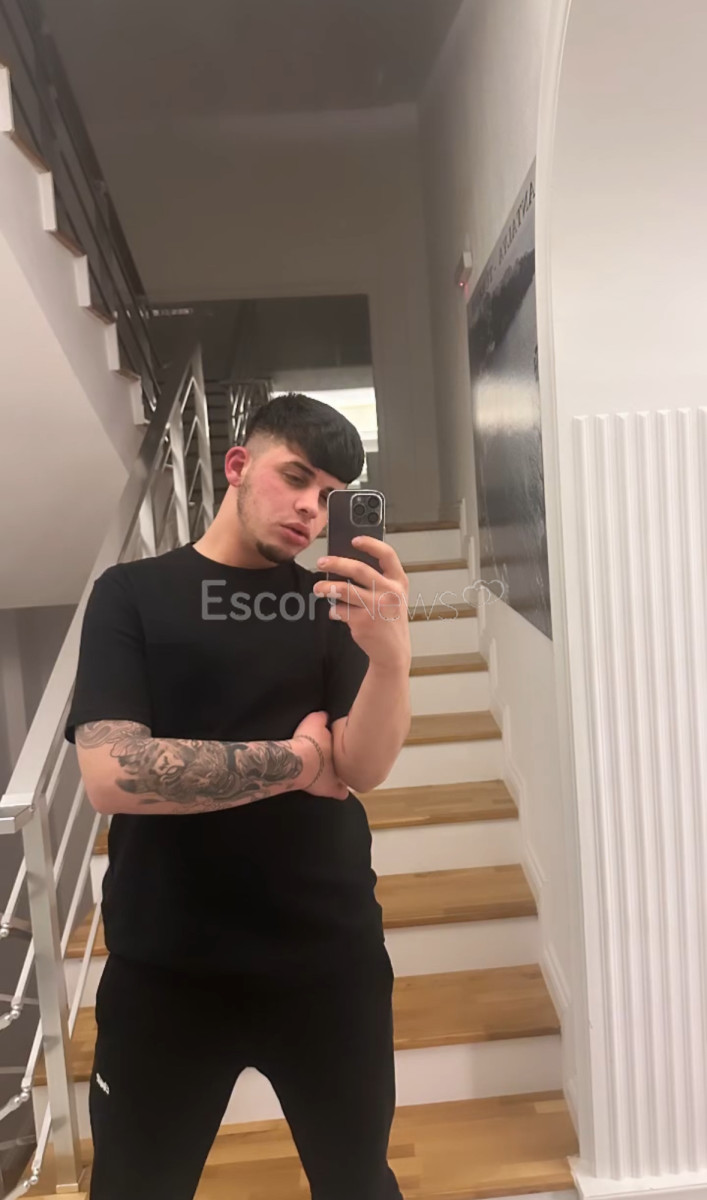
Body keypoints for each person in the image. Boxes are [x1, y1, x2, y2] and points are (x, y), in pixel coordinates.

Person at [64, 393, 412, 1200]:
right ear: (237, 465)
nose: (310, 507)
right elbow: (113, 772)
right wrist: (297, 761)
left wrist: (390, 657)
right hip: (167, 967)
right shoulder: (130, 593)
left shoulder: (329, 604)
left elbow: (362, 767)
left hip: (328, 961)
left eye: (330, 496)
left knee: (358, 1184)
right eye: (296, 477)